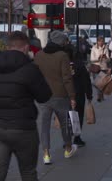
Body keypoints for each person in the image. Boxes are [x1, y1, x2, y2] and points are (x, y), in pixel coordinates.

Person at [0, 31, 52, 181]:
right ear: (25, 48)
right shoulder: (30, 69)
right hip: (23, 127)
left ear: (7, 47)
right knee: (28, 172)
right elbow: (44, 97)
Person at [33, 30, 78, 165]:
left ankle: (46, 154)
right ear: (60, 42)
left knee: (44, 125)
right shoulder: (62, 55)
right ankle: (68, 148)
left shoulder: (39, 55)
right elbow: (67, 78)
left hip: (43, 96)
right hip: (60, 95)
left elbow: (35, 76)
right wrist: (72, 96)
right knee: (65, 124)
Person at [64, 45, 93, 147]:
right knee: (78, 116)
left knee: (66, 116)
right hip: (78, 93)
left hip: (65, 94)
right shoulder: (79, 65)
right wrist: (89, 94)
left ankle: (67, 139)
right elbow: (86, 81)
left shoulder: (63, 64)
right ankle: (77, 137)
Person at [90, 36, 109, 102]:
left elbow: (108, 60)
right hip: (96, 67)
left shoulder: (105, 48)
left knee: (102, 83)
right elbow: (91, 59)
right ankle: (100, 95)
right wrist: (98, 58)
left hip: (103, 67)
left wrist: (105, 57)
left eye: (102, 41)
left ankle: (100, 96)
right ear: (97, 42)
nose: (101, 42)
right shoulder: (94, 48)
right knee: (97, 83)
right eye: (100, 41)